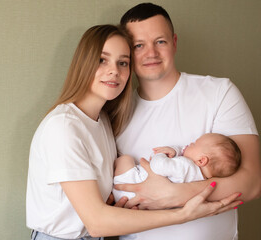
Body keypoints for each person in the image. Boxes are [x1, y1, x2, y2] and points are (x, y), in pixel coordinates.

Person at [26, 24, 241, 240]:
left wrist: (116, 202)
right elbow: (97, 223)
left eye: (123, 63)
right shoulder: (64, 126)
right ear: (84, 62)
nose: (114, 71)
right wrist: (183, 214)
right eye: (102, 60)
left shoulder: (104, 124)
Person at [115, 3, 261, 240]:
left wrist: (174, 194)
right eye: (138, 45)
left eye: (160, 41)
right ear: (128, 53)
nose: (151, 53)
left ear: (174, 42)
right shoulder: (115, 113)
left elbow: (253, 182)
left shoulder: (219, 92)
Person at [113, 133, 241, 202]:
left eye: (195, 144)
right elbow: (182, 152)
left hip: (131, 185)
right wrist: (175, 150)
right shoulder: (198, 178)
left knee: (125, 159)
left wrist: (161, 154)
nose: (189, 144)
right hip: (139, 198)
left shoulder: (185, 166)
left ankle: (109, 190)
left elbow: (158, 166)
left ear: (201, 160)